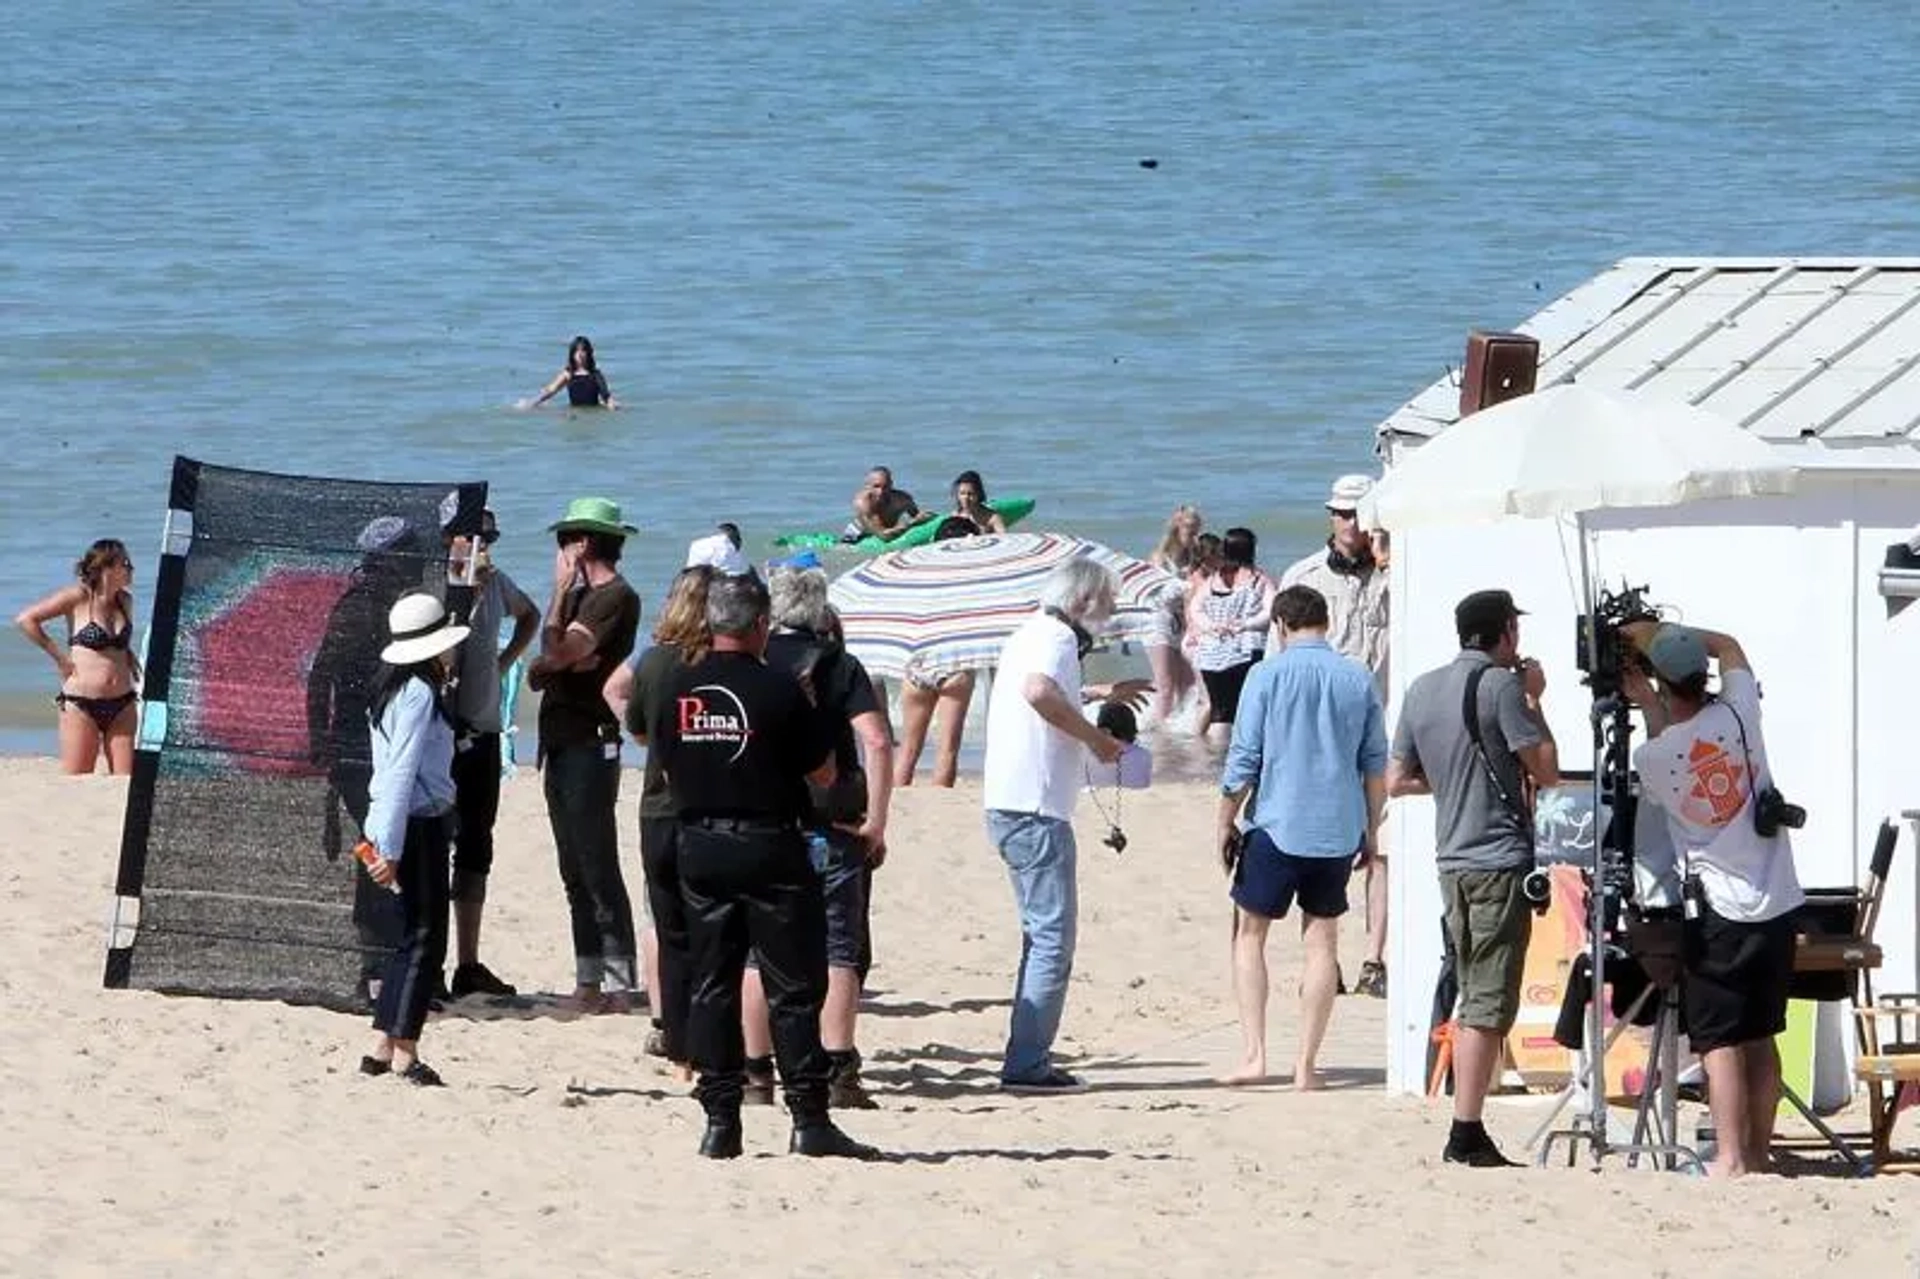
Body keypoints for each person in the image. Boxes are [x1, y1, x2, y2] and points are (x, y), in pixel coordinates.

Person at [651, 573, 878, 1160]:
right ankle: (808, 1117)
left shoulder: (679, 686)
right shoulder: (779, 689)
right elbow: (824, 773)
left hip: (699, 840)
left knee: (712, 984)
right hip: (768, 841)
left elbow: (666, 766)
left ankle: (721, 1117)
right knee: (793, 986)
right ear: (757, 627)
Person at [1620, 622, 1804, 1179]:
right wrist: (1666, 634)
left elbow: (1661, 757)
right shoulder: (1739, 713)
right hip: (1776, 895)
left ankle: (1728, 1158)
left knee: (1719, 1038)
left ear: (1662, 682)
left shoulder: (1654, 757)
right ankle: (1760, 1153)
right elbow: (1731, 647)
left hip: (1718, 907)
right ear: (1701, 678)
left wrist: (1645, 689)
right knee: (1762, 1033)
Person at [1386, 589, 1559, 1168]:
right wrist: (1535, 700)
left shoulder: (1421, 689)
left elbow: (1397, 780)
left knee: (1469, 983)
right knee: (1487, 999)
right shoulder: (1501, 688)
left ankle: (1466, 1125)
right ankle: (1466, 1130)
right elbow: (1548, 768)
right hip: (1495, 858)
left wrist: (1455, 782)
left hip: (1451, 861)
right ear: (1506, 631)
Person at [982, 559, 1150, 1093]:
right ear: (1082, 603)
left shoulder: (1031, 631)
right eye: (1106, 605)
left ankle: (1026, 1056)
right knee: (1052, 937)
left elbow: (1038, 693)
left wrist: (1100, 698)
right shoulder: (1055, 636)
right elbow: (1037, 693)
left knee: (1041, 933)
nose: (1109, 616)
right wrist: (1097, 739)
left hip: (1012, 802)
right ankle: (1028, 1063)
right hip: (1034, 808)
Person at [1216, 586, 1387, 1089]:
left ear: (1280, 625)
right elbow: (1374, 763)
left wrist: (1225, 817)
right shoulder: (1357, 678)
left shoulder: (1264, 675)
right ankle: (1305, 1066)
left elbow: (1244, 757)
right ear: (1326, 622)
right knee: (1322, 943)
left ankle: (1255, 1054)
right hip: (1336, 828)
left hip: (1276, 823)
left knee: (1250, 935)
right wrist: (1371, 831)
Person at [741, 566, 895, 1109]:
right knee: (838, 948)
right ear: (823, 611)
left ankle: (756, 1074)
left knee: (759, 953)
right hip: (832, 823)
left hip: (765, 820)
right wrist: (877, 819)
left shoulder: (752, 660)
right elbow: (876, 741)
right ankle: (838, 1072)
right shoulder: (840, 664)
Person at [1280, 475, 1393, 1000]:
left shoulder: (1401, 574)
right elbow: (1275, 666)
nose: (1351, 524)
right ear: (1330, 515)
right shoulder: (1302, 577)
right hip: (1320, 736)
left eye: (1359, 515)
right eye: (1343, 514)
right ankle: (1325, 955)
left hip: (1381, 728)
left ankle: (1375, 959)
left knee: (1381, 847)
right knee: (1325, 847)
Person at [527, 497, 642, 1013]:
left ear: (585, 543)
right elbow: (549, 660)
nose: (561, 552)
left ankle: (617, 982)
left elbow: (564, 655)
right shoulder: (577, 600)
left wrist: (556, 653)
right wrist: (556, 652)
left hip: (590, 741)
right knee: (572, 866)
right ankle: (589, 979)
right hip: (560, 740)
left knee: (595, 862)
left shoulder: (613, 597)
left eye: (566, 541)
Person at [606, 564, 716, 1072]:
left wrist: (651, 736)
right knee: (713, 929)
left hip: (660, 809)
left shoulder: (653, 663)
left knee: (671, 928)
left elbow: (623, 704)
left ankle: (679, 1048)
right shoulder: (722, 664)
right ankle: (710, 1036)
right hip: (711, 808)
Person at [357, 593, 469, 1087]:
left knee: (408, 939)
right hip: (417, 825)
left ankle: (383, 1045)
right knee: (425, 940)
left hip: (398, 821)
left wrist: (380, 839)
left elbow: (389, 774)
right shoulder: (420, 692)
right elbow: (402, 773)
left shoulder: (392, 687)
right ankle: (406, 1050)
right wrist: (393, 851)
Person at [441, 508, 539, 999]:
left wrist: (504, 662)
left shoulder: (497, 582)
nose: (481, 546)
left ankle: (469, 961)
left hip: (482, 732)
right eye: (472, 537)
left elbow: (531, 615)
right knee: (434, 846)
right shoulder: (436, 583)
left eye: (487, 538)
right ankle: (430, 962)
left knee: (477, 847)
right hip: (440, 733)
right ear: (451, 539)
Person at [16, 539, 141, 775]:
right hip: (81, 705)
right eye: (125, 563)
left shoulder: (125, 601)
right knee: (77, 779)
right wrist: (60, 658)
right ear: (106, 567)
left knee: (126, 783)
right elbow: (26, 620)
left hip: (123, 703)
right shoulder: (77, 596)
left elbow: (113, 642)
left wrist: (128, 653)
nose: (131, 569)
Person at [894, 516, 986, 788]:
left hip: (918, 664)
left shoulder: (921, 578)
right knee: (947, 749)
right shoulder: (973, 583)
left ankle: (898, 800)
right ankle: (939, 798)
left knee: (909, 749)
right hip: (954, 664)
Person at [1187, 527, 1275, 746]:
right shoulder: (1258, 578)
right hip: (1246, 651)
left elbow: (1196, 608)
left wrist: (1212, 627)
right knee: (1239, 709)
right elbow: (1271, 611)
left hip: (1210, 653)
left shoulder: (1215, 579)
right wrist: (1246, 625)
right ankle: (1225, 759)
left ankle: (1206, 754)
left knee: (1219, 709)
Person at [1144, 505, 1204, 729]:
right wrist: (1188, 588)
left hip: (1183, 623)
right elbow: (1158, 595)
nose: (1194, 534)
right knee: (1166, 684)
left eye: (1197, 529)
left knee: (1189, 685)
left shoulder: (1194, 559)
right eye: (1190, 528)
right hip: (1157, 622)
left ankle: (1178, 729)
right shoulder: (1160, 557)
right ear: (1177, 526)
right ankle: (1160, 735)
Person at [527, 335, 617, 409]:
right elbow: (551, 391)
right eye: (577, 351)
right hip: (574, 412)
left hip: (594, 412)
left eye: (583, 350)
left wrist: (612, 407)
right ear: (572, 354)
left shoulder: (595, 374)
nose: (580, 354)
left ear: (588, 353)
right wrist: (532, 403)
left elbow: (606, 396)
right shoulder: (568, 374)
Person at [845, 466, 922, 541]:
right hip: (858, 534)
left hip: (890, 531)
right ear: (867, 486)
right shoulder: (862, 503)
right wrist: (909, 524)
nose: (881, 492)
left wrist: (924, 517)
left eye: (885, 486)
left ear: (891, 484)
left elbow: (917, 516)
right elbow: (883, 536)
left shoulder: (903, 499)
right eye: (876, 486)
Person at [945, 470, 1008, 535]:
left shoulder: (992, 518)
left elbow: (1004, 539)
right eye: (962, 493)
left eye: (970, 494)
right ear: (957, 495)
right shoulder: (954, 516)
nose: (966, 498)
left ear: (979, 494)